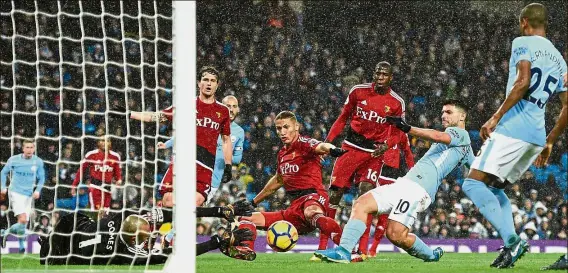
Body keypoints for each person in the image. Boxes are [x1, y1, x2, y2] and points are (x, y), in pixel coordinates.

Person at [463, 3, 567, 269]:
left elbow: (522, 82)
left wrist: (495, 117)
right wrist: (551, 140)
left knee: (472, 185)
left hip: (513, 127)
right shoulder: (559, 58)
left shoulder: (522, 41)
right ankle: (511, 246)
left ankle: (513, 241)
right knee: (495, 188)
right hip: (536, 135)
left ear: (524, 22)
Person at [314, 100, 474, 264]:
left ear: (462, 116)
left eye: (448, 112)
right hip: (405, 183)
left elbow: (437, 135)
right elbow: (477, 169)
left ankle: (431, 255)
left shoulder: (461, 134)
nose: (443, 115)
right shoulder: (465, 147)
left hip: (419, 190)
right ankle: (343, 251)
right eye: (442, 112)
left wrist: (408, 128)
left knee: (395, 234)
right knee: (362, 204)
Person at [317, 61, 406, 261]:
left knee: (365, 197)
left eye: (384, 74)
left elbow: (399, 132)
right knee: (334, 194)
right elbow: (342, 118)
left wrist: (387, 145)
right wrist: (328, 143)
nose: (380, 77)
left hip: (373, 154)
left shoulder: (396, 102)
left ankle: (361, 250)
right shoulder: (358, 92)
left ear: (391, 77)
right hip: (351, 147)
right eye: (377, 73)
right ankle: (323, 246)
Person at [236, 111, 348, 253]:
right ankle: (245, 250)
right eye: (278, 128)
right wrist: (253, 203)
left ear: (296, 127)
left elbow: (321, 146)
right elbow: (277, 181)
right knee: (247, 218)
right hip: (294, 208)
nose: (282, 132)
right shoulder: (282, 154)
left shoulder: (304, 143)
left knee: (311, 212)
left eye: (286, 127)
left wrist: (332, 150)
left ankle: (349, 250)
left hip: (313, 197)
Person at [369, 130, 415, 257]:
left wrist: (413, 171)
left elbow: (407, 153)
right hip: (376, 169)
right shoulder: (378, 127)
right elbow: (407, 153)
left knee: (383, 215)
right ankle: (363, 248)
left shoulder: (400, 133)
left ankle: (372, 249)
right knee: (368, 211)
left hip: (390, 173)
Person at [195, 66, 233, 206]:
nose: (209, 83)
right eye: (205, 79)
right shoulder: (188, 104)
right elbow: (162, 116)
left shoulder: (223, 111)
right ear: (199, 83)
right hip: (184, 158)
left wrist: (228, 166)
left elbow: (226, 139)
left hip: (205, 162)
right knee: (169, 200)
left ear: (217, 85)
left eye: (212, 80)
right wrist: (131, 114)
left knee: (196, 202)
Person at [0, 139, 46, 252]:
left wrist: (38, 190)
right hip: (15, 192)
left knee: (23, 223)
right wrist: (2, 187)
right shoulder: (14, 160)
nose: (29, 150)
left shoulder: (38, 161)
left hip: (28, 194)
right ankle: (6, 235)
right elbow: (3, 172)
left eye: (31, 147)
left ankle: (17, 244)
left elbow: (42, 177)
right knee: (23, 219)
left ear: (34, 149)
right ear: (23, 148)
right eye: (27, 147)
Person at [70, 137, 122, 218]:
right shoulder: (91, 155)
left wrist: (119, 179)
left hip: (108, 189)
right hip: (95, 187)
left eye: (107, 140)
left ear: (110, 143)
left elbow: (117, 172)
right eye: (102, 140)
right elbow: (81, 171)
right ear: (98, 143)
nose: (104, 143)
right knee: (97, 213)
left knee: (105, 215)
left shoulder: (115, 156)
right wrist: (74, 185)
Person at [208, 95, 245, 203]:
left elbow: (237, 159)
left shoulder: (239, 132)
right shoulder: (210, 123)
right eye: (228, 106)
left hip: (214, 181)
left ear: (238, 109)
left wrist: (221, 156)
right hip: (199, 172)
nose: (231, 109)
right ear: (221, 107)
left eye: (234, 106)